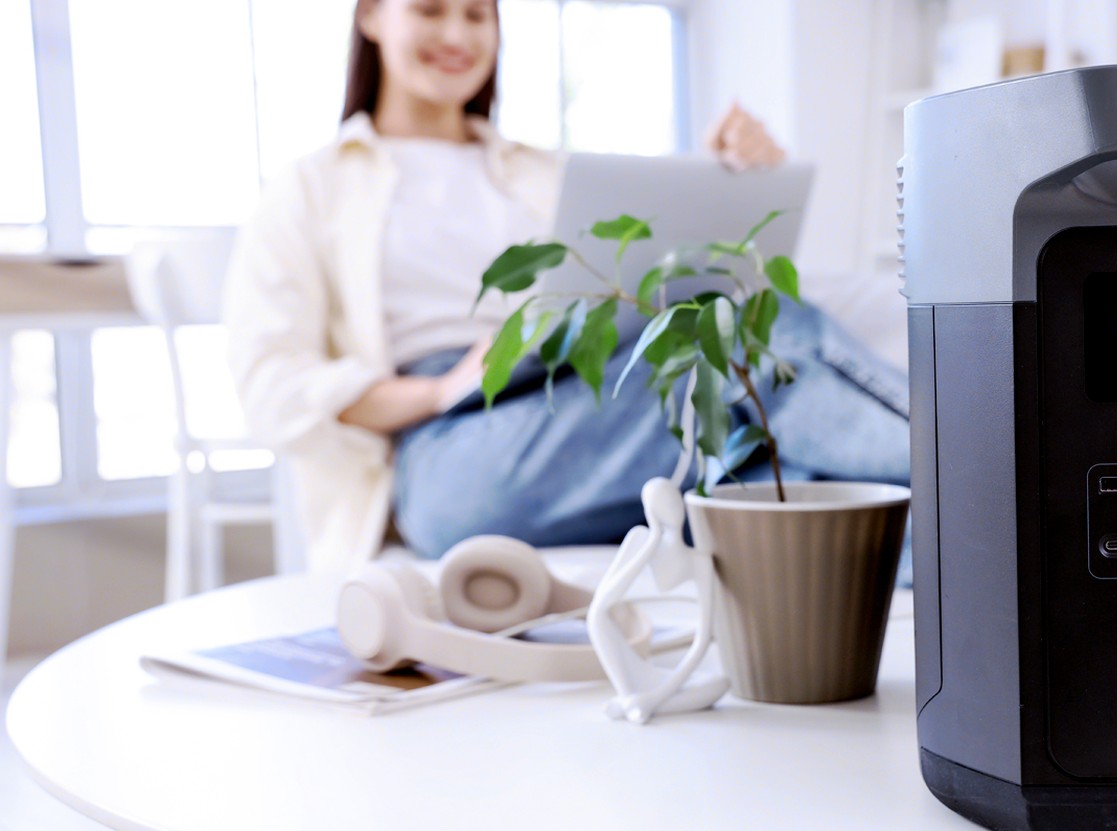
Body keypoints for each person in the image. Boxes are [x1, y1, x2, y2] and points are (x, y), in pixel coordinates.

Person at [224, 0, 909, 575]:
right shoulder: (311, 187)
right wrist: (438, 389)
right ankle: (975, 457)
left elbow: (652, 277)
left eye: (477, 14)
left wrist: (727, 176)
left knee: (799, 459)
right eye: (431, 9)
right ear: (371, 13)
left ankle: (983, 532)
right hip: (451, 440)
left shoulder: (541, 172)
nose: (458, 36)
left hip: (595, 382)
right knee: (762, 343)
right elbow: (271, 387)